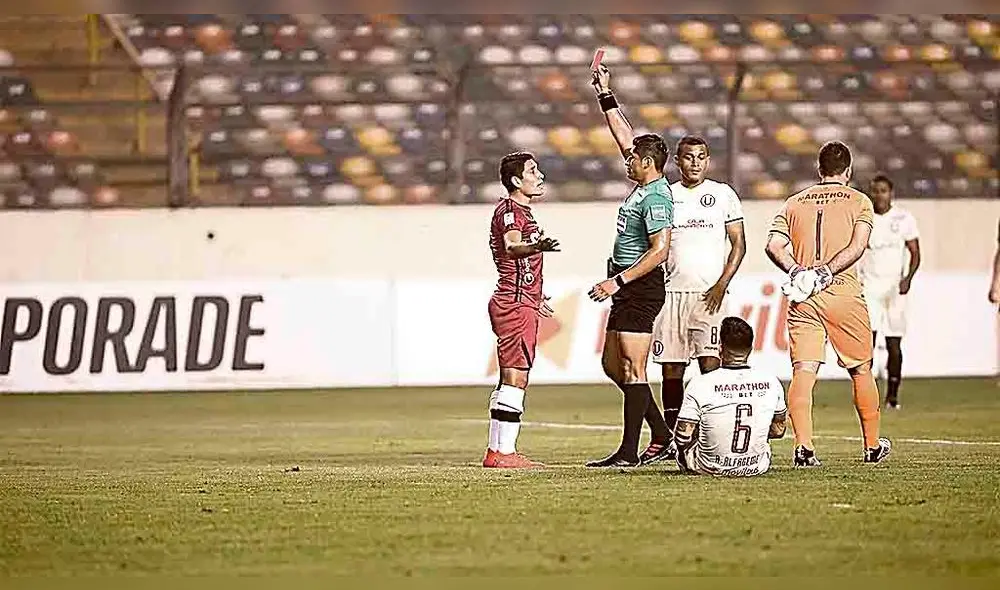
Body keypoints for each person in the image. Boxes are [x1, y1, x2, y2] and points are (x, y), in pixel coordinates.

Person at [764, 140, 892, 467]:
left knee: (803, 371)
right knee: (861, 369)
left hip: (804, 294)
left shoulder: (794, 202)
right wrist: (826, 271)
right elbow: (858, 246)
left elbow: (773, 246)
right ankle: (872, 446)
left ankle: (804, 448)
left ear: (819, 170)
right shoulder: (859, 201)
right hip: (843, 291)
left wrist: (799, 271)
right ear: (848, 171)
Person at [585, 63, 673, 468]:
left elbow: (659, 252)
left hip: (640, 286)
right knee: (612, 365)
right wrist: (605, 94)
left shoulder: (656, 197)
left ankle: (628, 453)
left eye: (633, 158)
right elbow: (624, 137)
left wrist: (616, 282)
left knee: (635, 368)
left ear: (648, 164)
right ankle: (661, 432)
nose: (627, 159)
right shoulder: (643, 184)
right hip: (624, 285)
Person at [643, 135, 747, 465]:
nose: (695, 163)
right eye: (689, 157)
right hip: (671, 295)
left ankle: (713, 437)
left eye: (701, 157)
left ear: (708, 159)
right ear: (677, 160)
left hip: (709, 297)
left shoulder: (722, 195)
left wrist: (721, 284)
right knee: (671, 370)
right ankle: (673, 442)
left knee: (711, 369)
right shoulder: (666, 195)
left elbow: (739, 245)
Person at [483, 151, 560, 469]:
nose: (539, 175)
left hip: (521, 301)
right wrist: (537, 246)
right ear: (517, 180)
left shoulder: (520, 211)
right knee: (516, 377)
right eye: (533, 171)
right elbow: (513, 247)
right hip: (514, 305)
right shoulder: (512, 212)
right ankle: (504, 453)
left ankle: (495, 451)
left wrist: (536, 296)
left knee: (509, 378)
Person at [673, 317, 787, 477]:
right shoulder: (771, 381)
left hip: (708, 467)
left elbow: (682, 436)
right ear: (751, 348)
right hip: (756, 466)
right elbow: (778, 431)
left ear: (720, 348)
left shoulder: (700, 383)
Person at [858, 174, 921, 409]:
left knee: (894, 343)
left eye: (883, 190)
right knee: (868, 343)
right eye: (875, 191)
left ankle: (892, 396)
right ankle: (868, 394)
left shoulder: (904, 218)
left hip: (894, 287)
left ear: (890, 193)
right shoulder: (864, 218)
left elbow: (915, 253)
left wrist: (908, 279)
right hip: (870, 287)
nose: (879, 195)